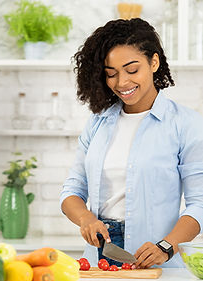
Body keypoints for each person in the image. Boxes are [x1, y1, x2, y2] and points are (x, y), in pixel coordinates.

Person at [60, 18, 203, 268]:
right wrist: (86, 218)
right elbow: (72, 191)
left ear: (154, 62)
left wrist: (167, 246)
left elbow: (200, 203)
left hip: (156, 260)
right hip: (98, 261)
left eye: (132, 70)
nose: (121, 83)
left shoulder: (186, 124)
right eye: (111, 74)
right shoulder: (97, 123)